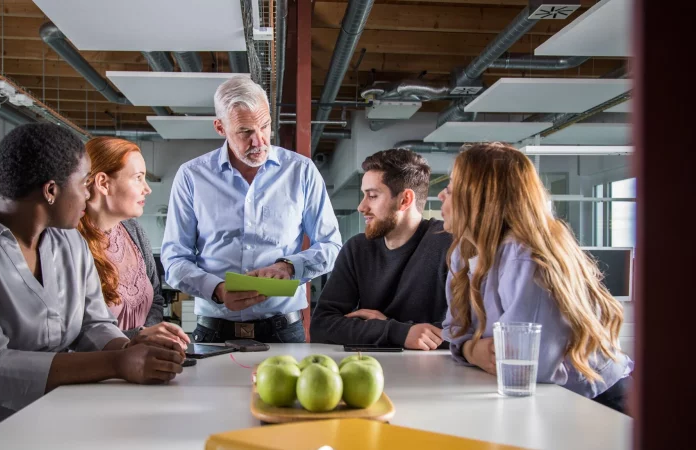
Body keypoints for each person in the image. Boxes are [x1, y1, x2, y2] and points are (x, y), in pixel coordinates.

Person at [0, 124, 184, 449]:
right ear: (51, 191)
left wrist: (128, 350)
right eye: (84, 184)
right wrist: (118, 363)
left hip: (20, 421)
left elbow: (93, 324)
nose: (90, 196)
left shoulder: (69, 240)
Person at [439, 142, 633, 414]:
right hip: (548, 401)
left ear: (479, 198)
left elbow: (526, 364)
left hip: (597, 401)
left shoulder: (525, 257)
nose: (441, 196)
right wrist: (473, 350)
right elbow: (454, 332)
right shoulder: (464, 251)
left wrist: (476, 349)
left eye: (449, 189)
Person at [161, 75, 342, 343]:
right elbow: (174, 260)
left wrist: (289, 267)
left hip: (283, 331)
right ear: (220, 127)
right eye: (245, 131)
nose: (259, 141)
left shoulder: (301, 171)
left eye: (265, 126)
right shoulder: (192, 177)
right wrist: (218, 290)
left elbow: (331, 245)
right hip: (214, 331)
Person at [311, 149, 452, 349]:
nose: (361, 206)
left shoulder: (448, 244)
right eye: (364, 195)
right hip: (368, 367)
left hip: (436, 373)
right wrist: (397, 332)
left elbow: (464, 333)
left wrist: (384, 327)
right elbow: (321, 326)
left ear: (405, 200)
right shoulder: (357, 249)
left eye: (373, 196)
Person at [78, 137, 189, 349]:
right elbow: (76, 333)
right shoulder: (69, 243)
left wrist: (149, 337)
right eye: (138, 178)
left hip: (141, 365)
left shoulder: (134, 231)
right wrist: (137, 338)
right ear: (103, 183)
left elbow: (156, 298)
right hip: (97, 370)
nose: (147, 189)